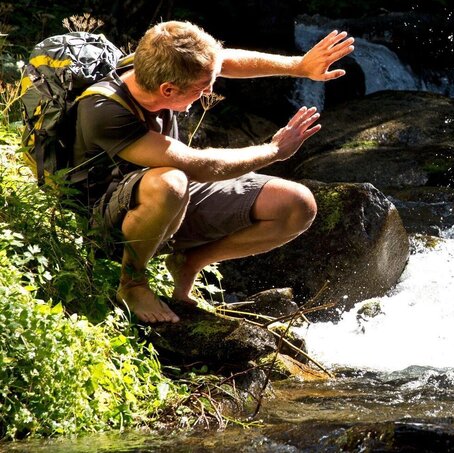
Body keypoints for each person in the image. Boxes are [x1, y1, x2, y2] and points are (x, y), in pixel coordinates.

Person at [69, 20, 355, 323]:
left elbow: (224, 60)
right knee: (171, 181)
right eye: (202, 88)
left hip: (168, 198)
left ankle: (189, 262)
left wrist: (299, 65)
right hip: (104, 217)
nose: (209, 91)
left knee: (296, 205)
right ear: (168, 89)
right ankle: (132, 283)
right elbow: (200, 167)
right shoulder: (104, 110)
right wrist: (273, 151)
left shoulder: (159, 68)